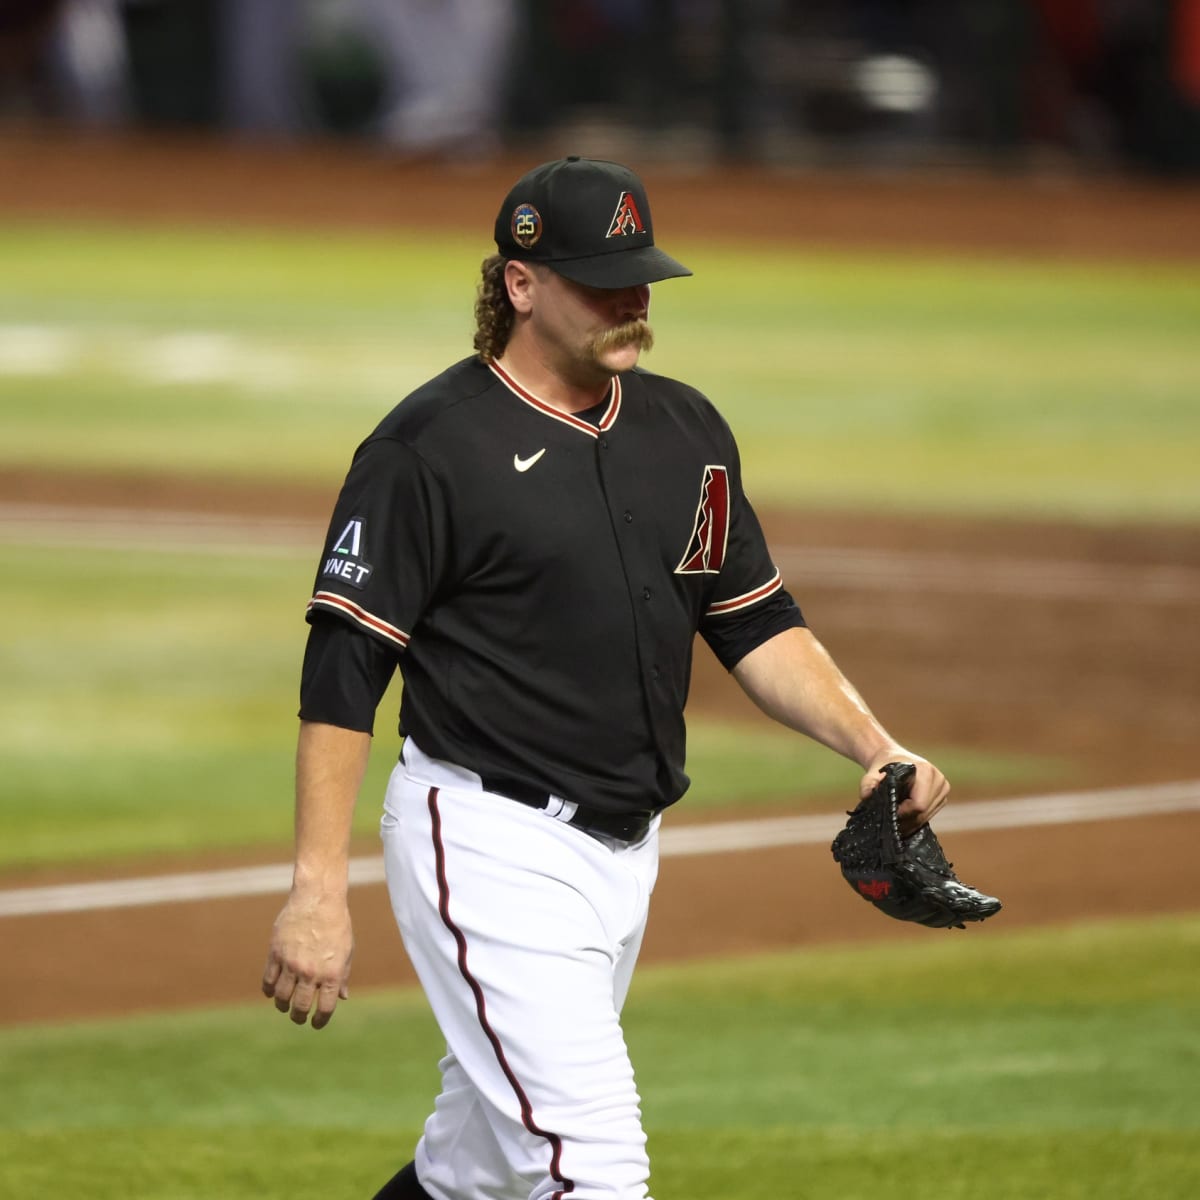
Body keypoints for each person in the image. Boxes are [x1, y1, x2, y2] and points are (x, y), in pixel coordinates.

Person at [261, 155, 950, 1200]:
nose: (632, 299)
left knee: (479, 1169)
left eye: (641, 275)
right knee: (592, 1169)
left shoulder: (685, 431)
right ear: (521, 285)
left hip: (627, 855)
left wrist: (876, 744)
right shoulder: (428, 448)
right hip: (488, 843)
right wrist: (317, 889)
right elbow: (345, 666)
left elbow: (752, 618)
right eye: (602, 279)